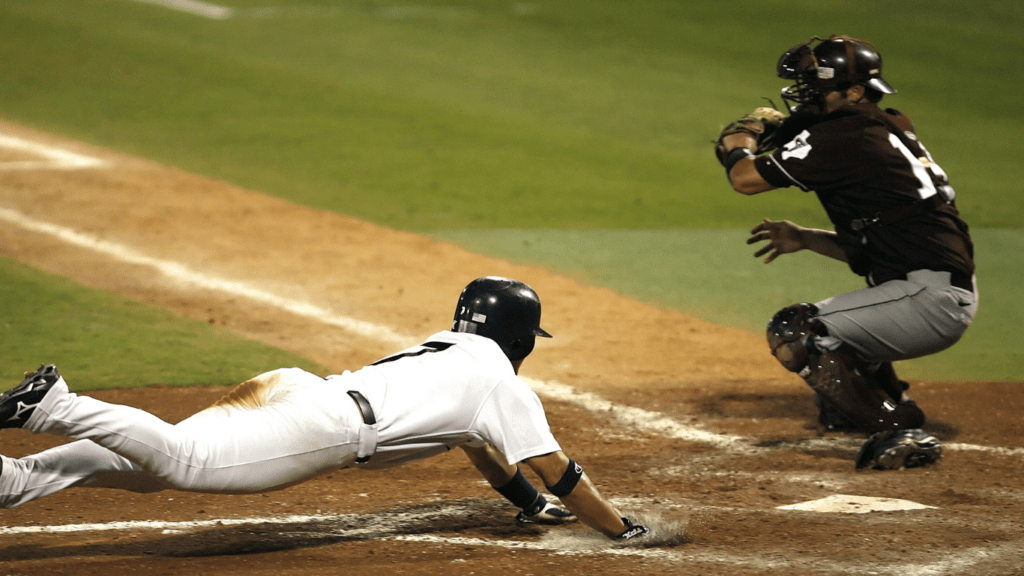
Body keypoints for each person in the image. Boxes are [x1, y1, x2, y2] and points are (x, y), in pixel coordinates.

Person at [0, 276, 650, 540]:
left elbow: (486, 452)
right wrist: (618, 528)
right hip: (323, 426)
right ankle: (56, 404)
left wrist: (530, 508)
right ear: (520, 337)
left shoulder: (448, 350)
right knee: (183, 463)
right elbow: (553, 465)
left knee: (145, 466)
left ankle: (14, 479)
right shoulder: (502, 385)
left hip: (297, 389)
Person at [714, 36, 976, 469]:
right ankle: (879, 400)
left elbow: (744, 178)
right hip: (926, 288)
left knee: (797, 330)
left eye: (816, 88)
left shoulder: (847, 135)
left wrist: (739, 143)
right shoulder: (882, 126)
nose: (806, 97)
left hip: (929, 300)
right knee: (838, 334)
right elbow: (884, 243)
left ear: (854, 92)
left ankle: (897, 428)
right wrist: (805, 238)